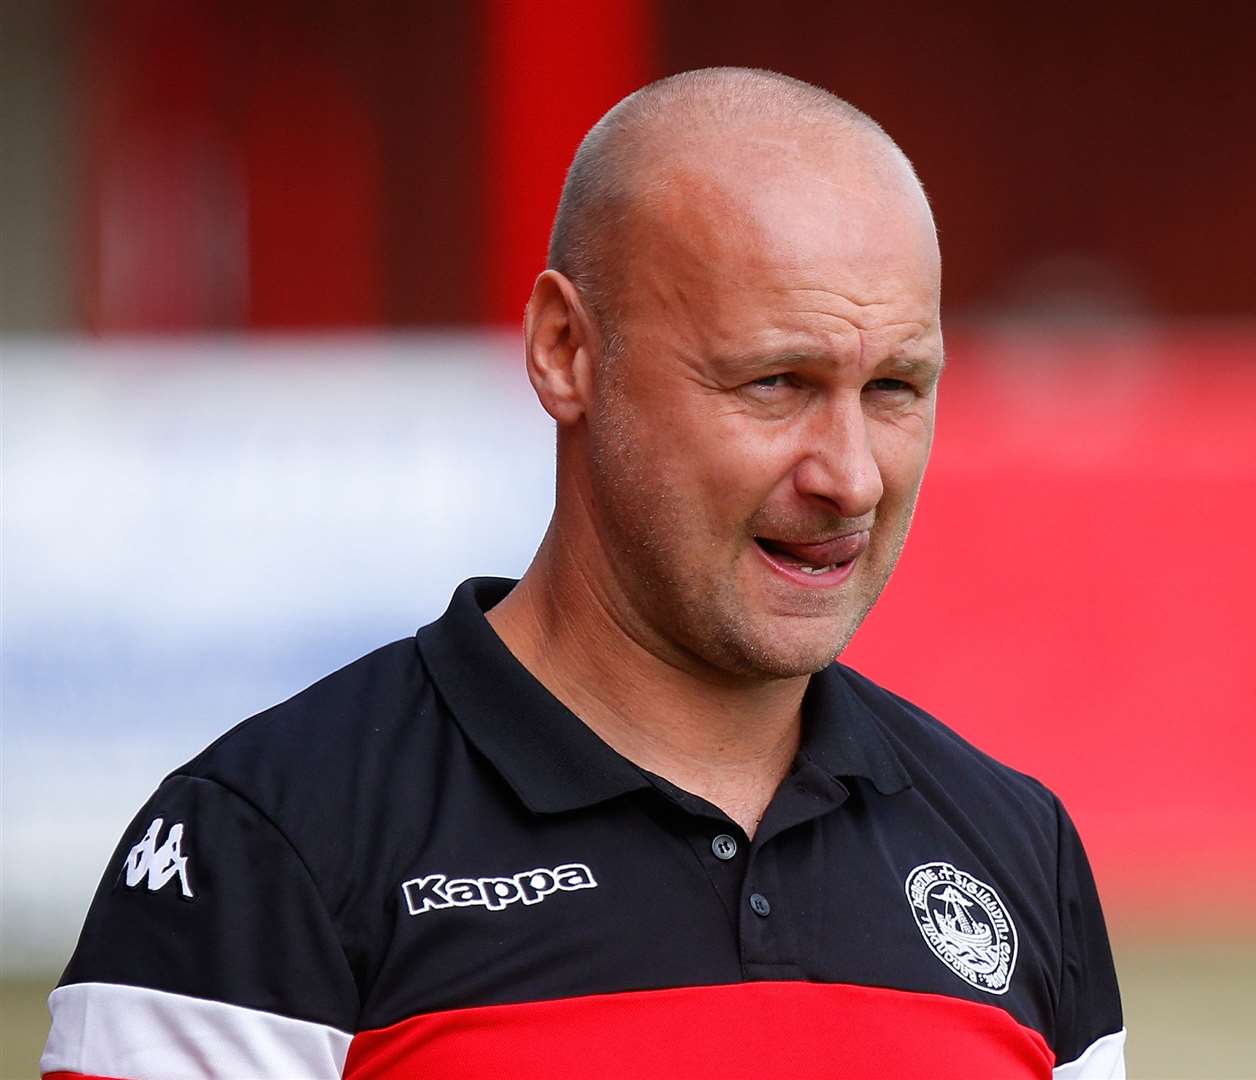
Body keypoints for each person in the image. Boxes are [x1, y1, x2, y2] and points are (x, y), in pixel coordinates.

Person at [42, 68, 1126, 1079]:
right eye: (775, 382)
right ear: (567, 350)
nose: (849, 476)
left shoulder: (1016, 848)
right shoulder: (264, 845)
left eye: (895, 388)